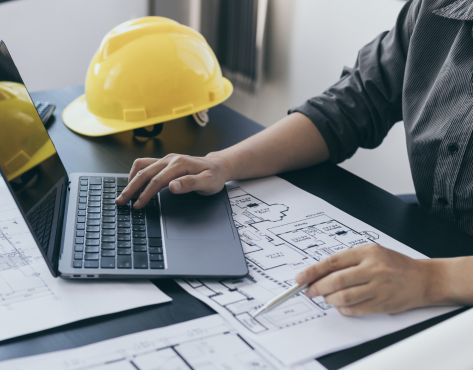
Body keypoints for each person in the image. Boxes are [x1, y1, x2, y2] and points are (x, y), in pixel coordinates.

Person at [116, 0, 473, 316]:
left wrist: (432, 280)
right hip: (436, 230)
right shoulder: (432, 10)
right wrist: (221, 163)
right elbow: (351, 105)